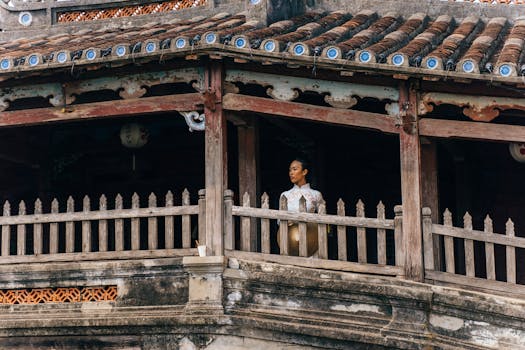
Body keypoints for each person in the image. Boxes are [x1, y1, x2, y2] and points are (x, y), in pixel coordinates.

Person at [278, 158, 323, 256]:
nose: (291, 173)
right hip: (289, 242)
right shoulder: (285, 195)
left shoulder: (316, 195)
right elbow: (279, 221)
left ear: (304, 172)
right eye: (290, 170)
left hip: (312, 241)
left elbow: (323, 221)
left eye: (294, 169)